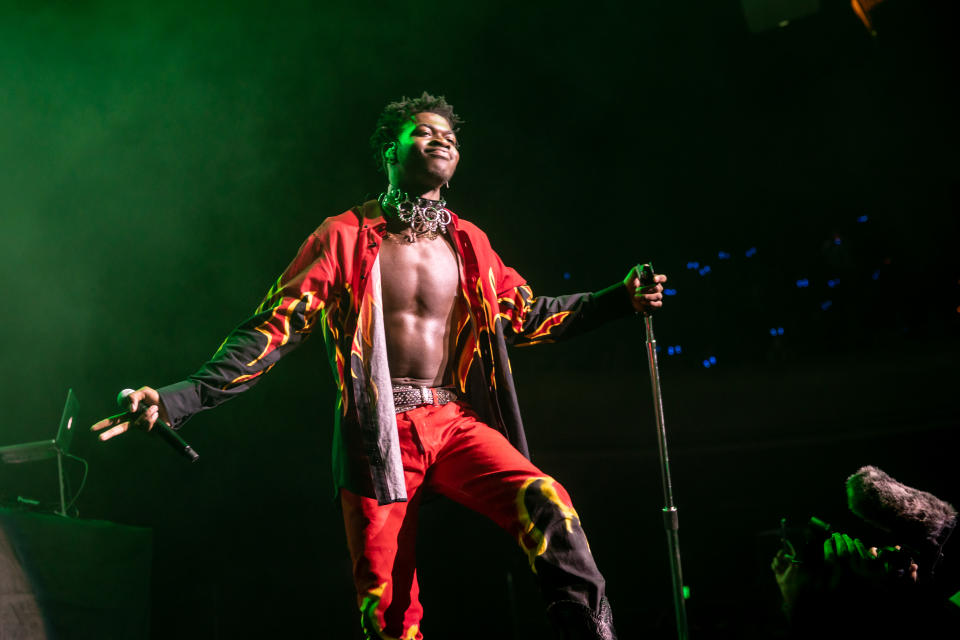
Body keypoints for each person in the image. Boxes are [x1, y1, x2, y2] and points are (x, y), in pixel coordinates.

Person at [92, 92, 667, 640]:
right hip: (378, 435)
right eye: (425, 132)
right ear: (389, 150)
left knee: (547, 503)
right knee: (388, 606)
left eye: (450, 136)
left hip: (453, 422)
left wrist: (617, 299)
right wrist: (178, 397)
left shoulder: (470, 244)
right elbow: (274, 327)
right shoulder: (344, 235)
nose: (441, 140)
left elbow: (525, 316)